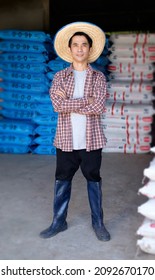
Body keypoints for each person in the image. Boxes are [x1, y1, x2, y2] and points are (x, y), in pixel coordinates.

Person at [39, 21, 110, 241]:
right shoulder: (60, 77)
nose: (80, 48)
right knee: (62, 179)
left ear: (90, 49)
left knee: (93, 179)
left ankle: (98, 223)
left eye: (84, 44)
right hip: (66, 141)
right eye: (75, 44)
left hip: (92, 140)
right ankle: (58, 222)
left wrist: (71, 101)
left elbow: (98, 106)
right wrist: (85, 100)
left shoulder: (98, 77)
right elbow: (57, 106)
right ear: (69, 49)